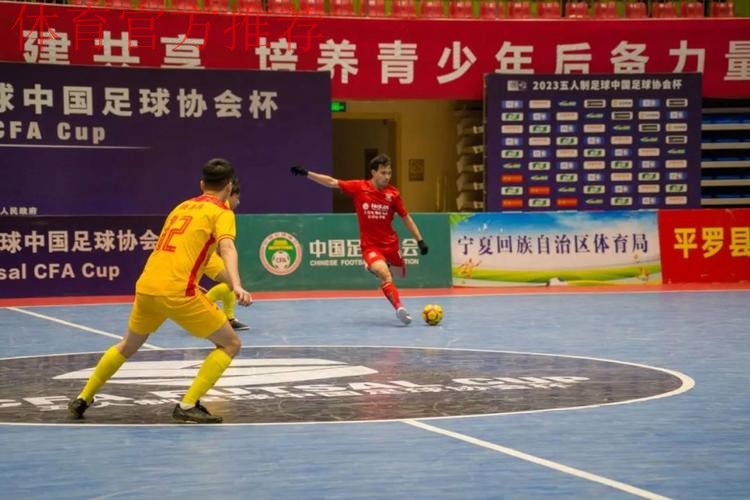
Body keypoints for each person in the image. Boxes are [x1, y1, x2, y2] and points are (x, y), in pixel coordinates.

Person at [68, 158, 252, 424]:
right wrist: (238, 284)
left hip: (147, 287)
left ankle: (83, 397)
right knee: (231, 344)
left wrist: (232, 283)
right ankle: (187, 404)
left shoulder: (182, 207)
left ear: (202, 184)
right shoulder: (222, 212)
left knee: (128, 345)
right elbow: (227, 247)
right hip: (178, 291)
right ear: (228, 186)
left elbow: (209, 262)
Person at [291, 154, 428, 324]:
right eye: (383, 173)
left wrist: (420, 240)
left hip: (391, 244)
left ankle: (375, 266)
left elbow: (406, 218)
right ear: (373, 172)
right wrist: (307, 173)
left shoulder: (393, 194)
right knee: (385, 275)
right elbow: (332, 182)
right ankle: (399, 308)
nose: (387, 177)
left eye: (389, 173)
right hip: (370, 245)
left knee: (400, 274)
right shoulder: (359, 187)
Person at [202, 178, 250, 331]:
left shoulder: (209, 205)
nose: (238, 202)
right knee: (232, 282)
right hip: (204, 257)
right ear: (229, 192)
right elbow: (227, 246)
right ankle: (202, 309)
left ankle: (228, 318)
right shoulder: (224, 208)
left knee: (230, 282)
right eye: (237, 197)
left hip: (209, 254)